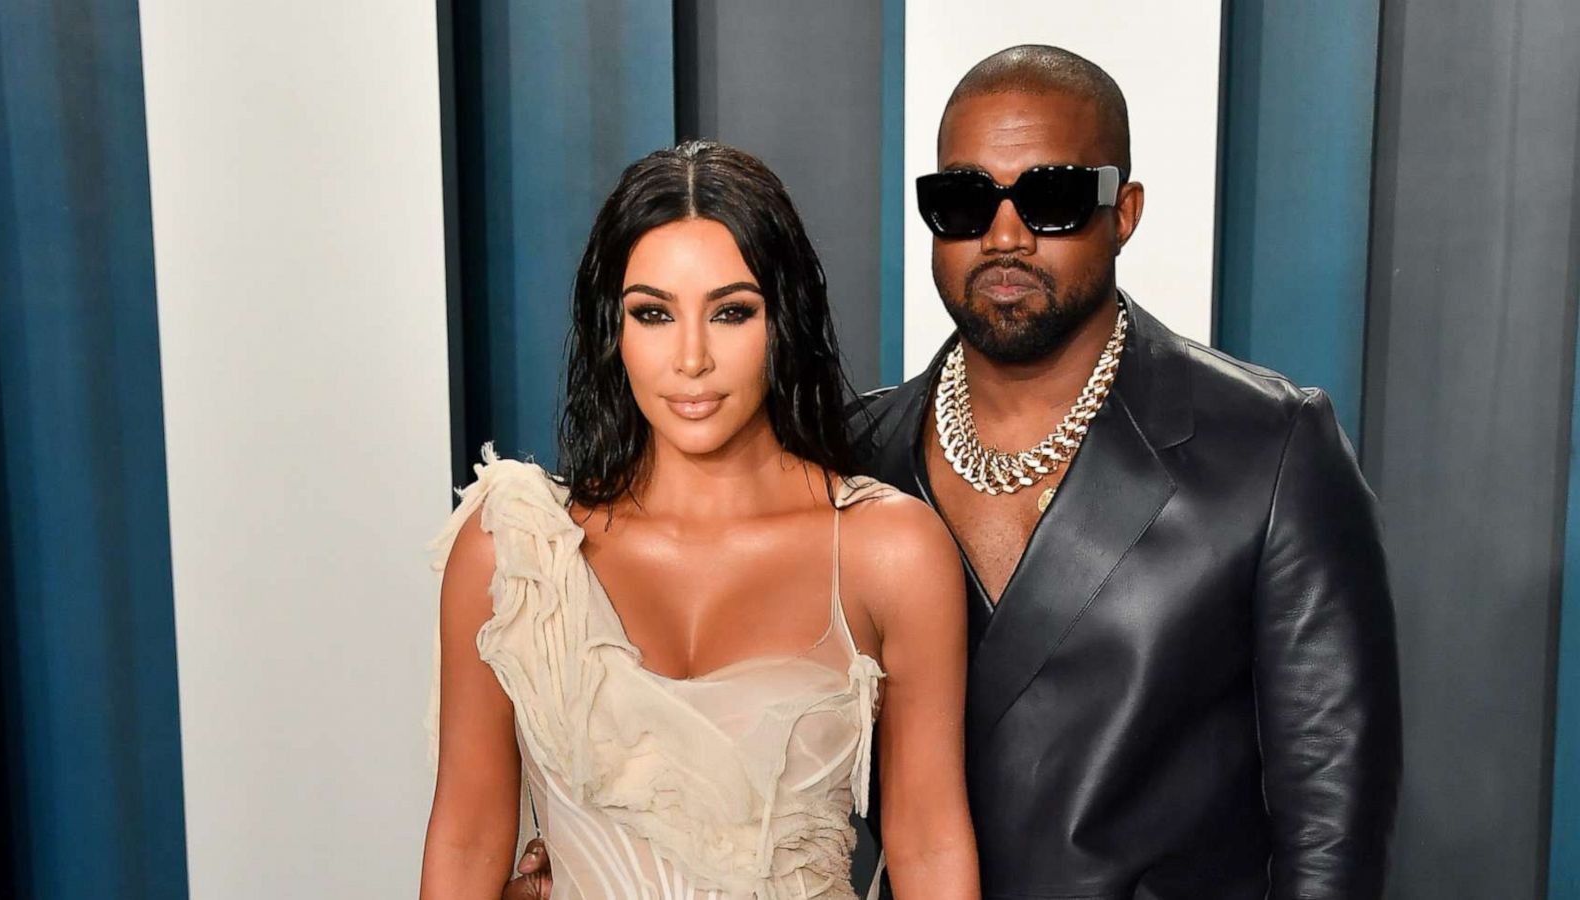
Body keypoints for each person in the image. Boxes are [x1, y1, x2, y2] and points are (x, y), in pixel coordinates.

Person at [512, 44, 1403, 900]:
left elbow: (1333, 821)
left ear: (1123, 211)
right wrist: (597, 849)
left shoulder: (1270, 448)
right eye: (964, 201)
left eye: (1052, 198)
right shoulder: (849, 458)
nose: (1004, 235)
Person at [419, 140, 981, 900]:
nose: (690, 358)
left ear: (784, 320)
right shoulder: (515, 551)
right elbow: (465, 841)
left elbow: (928, 844)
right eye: (653, 313)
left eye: (731, 312)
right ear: (611, 331)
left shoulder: (891, 552)